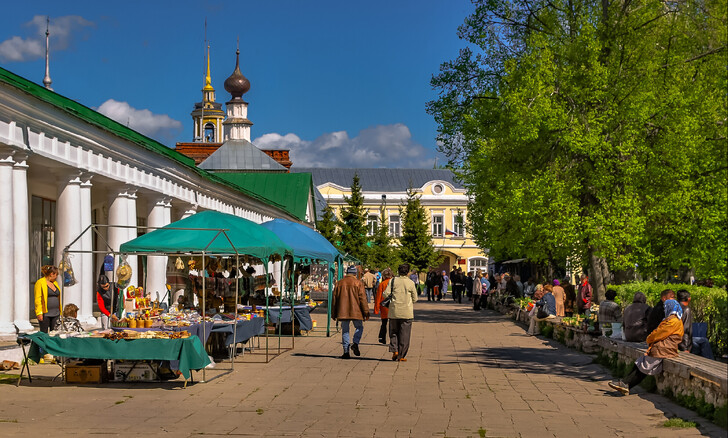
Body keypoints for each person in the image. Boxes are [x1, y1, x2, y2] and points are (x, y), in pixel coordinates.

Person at [609, 299, 684, 395]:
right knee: (639, 363)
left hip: (663, 349)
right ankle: (624, 382)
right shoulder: (671, 319)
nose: (664, 310)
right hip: (661, 347)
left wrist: (649, 339)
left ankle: (626, 384)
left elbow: (659, 333)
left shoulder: (673, 321)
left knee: (644, 367)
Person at [332, 265, 370, 359]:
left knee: (345, 331)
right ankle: (355, 343)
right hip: (356, 311)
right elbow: (363, 299)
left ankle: (346, 351)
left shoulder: (339, 283)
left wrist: (333, 313)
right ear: (355, 273)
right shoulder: (358, 283)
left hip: (342, 311)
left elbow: (334, 300)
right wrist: (366, 312)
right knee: (359, 327)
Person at [382, 263, 418, 361]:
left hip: (394, 311)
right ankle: (401, 355)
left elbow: (386, 294)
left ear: (398, 271)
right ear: (407, 272)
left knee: (393, 332)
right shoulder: (410, 283)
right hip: (407, 312)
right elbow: (415, 298)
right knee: (405, 334)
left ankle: (395, 350)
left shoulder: (393, 281)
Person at [677, 290, 714, 359]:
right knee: (703, 342)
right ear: (689, 299)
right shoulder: (686, 310)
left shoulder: (676, 307)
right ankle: (710, 361)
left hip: (679, 340)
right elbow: (685, 330)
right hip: (682, 342)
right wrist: (685, 348)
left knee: (703, 341)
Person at [34, 265, 62, 334]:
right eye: (56, 275)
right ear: (51, 274)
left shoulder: (55, 283)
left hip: (56, 312)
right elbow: (38, 298)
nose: (57, 277)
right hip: (45, 313)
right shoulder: (40, 282)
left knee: (55, 332)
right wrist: (39, 312)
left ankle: (53, 345)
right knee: (44, 333)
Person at [374, 268, 394, 344]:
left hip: (384, 305)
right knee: (392, 324)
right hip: (392, 304)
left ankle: (383, 338)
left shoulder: (382, 284)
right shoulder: (394, 283)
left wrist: (376, 309)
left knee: (384, 323)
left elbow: (378, 297)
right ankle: (392, 340)